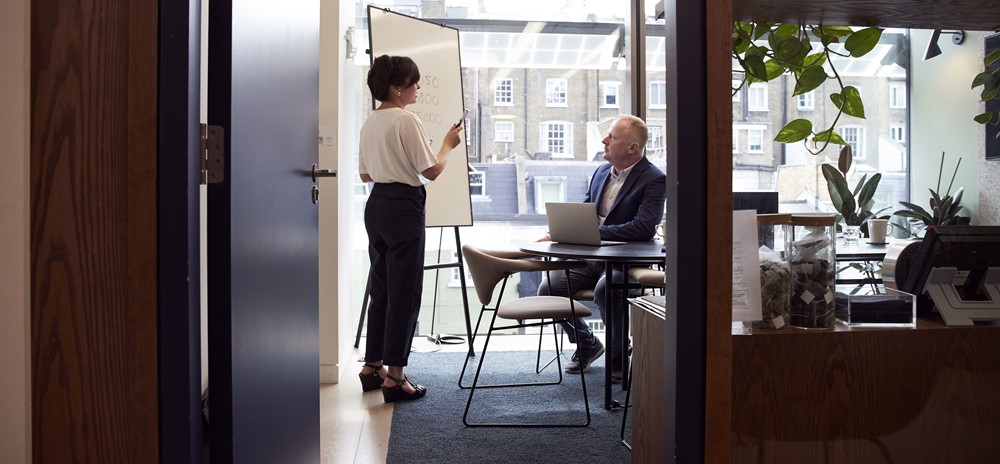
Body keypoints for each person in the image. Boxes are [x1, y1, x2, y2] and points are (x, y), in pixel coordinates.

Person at [357, 55, 463, 403]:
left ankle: (372, 367)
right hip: (404, 207)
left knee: (382, 289)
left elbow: (365, 175)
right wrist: (447, 144)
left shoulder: (370, 122)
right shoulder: (406, 119)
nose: (418, 87)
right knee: (405, 291)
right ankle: (396, 377)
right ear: (396, 87)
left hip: (376, 206)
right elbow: (431, 171)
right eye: (414, 82)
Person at [537, 115, 666, 383]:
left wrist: (594, 233)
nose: (604, 141)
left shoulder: (654, 179)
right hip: (593, 257)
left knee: (605, 290)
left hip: (628, 261)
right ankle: (587, 343)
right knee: (549, 289)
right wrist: (562, 232)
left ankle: (619, 356)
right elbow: (586, 213)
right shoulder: (600, 173)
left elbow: (642, 228)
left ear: (632, 147)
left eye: (612, 137)